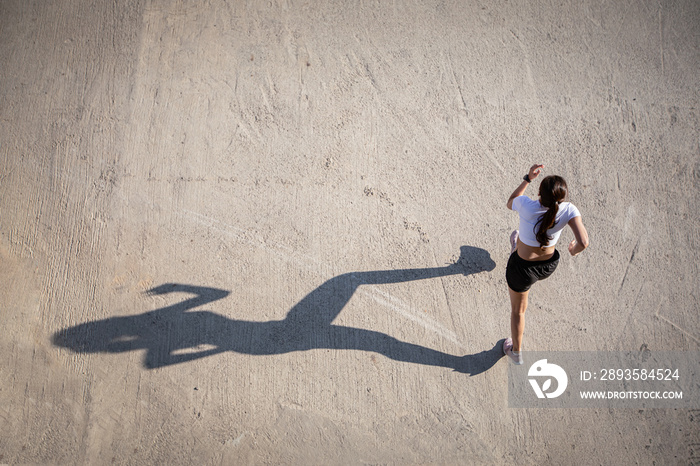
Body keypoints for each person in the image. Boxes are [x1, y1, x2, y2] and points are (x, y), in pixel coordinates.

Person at [503, 164, 589, 364]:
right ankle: (516, 245)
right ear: (562, 197)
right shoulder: (568, 210)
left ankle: (516, 353)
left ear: (539, 193)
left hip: (522, 269)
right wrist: (573, 250)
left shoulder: (526, 205)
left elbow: (510, 202)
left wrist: (527, 178)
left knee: (518, 311)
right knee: (520, 241)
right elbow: (583, 242)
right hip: (548, 266)